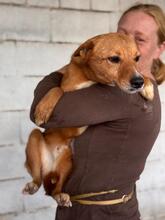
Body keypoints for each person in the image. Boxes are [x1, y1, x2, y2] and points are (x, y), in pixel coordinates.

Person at [30, 4, 165, 220]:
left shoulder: (128, 96)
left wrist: (62, 72)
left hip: (104, 214)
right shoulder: (110, 88)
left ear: (160, 48)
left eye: (139, 39)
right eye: (121, 33)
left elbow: (49, 115)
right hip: (80, 209)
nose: (127, 41)